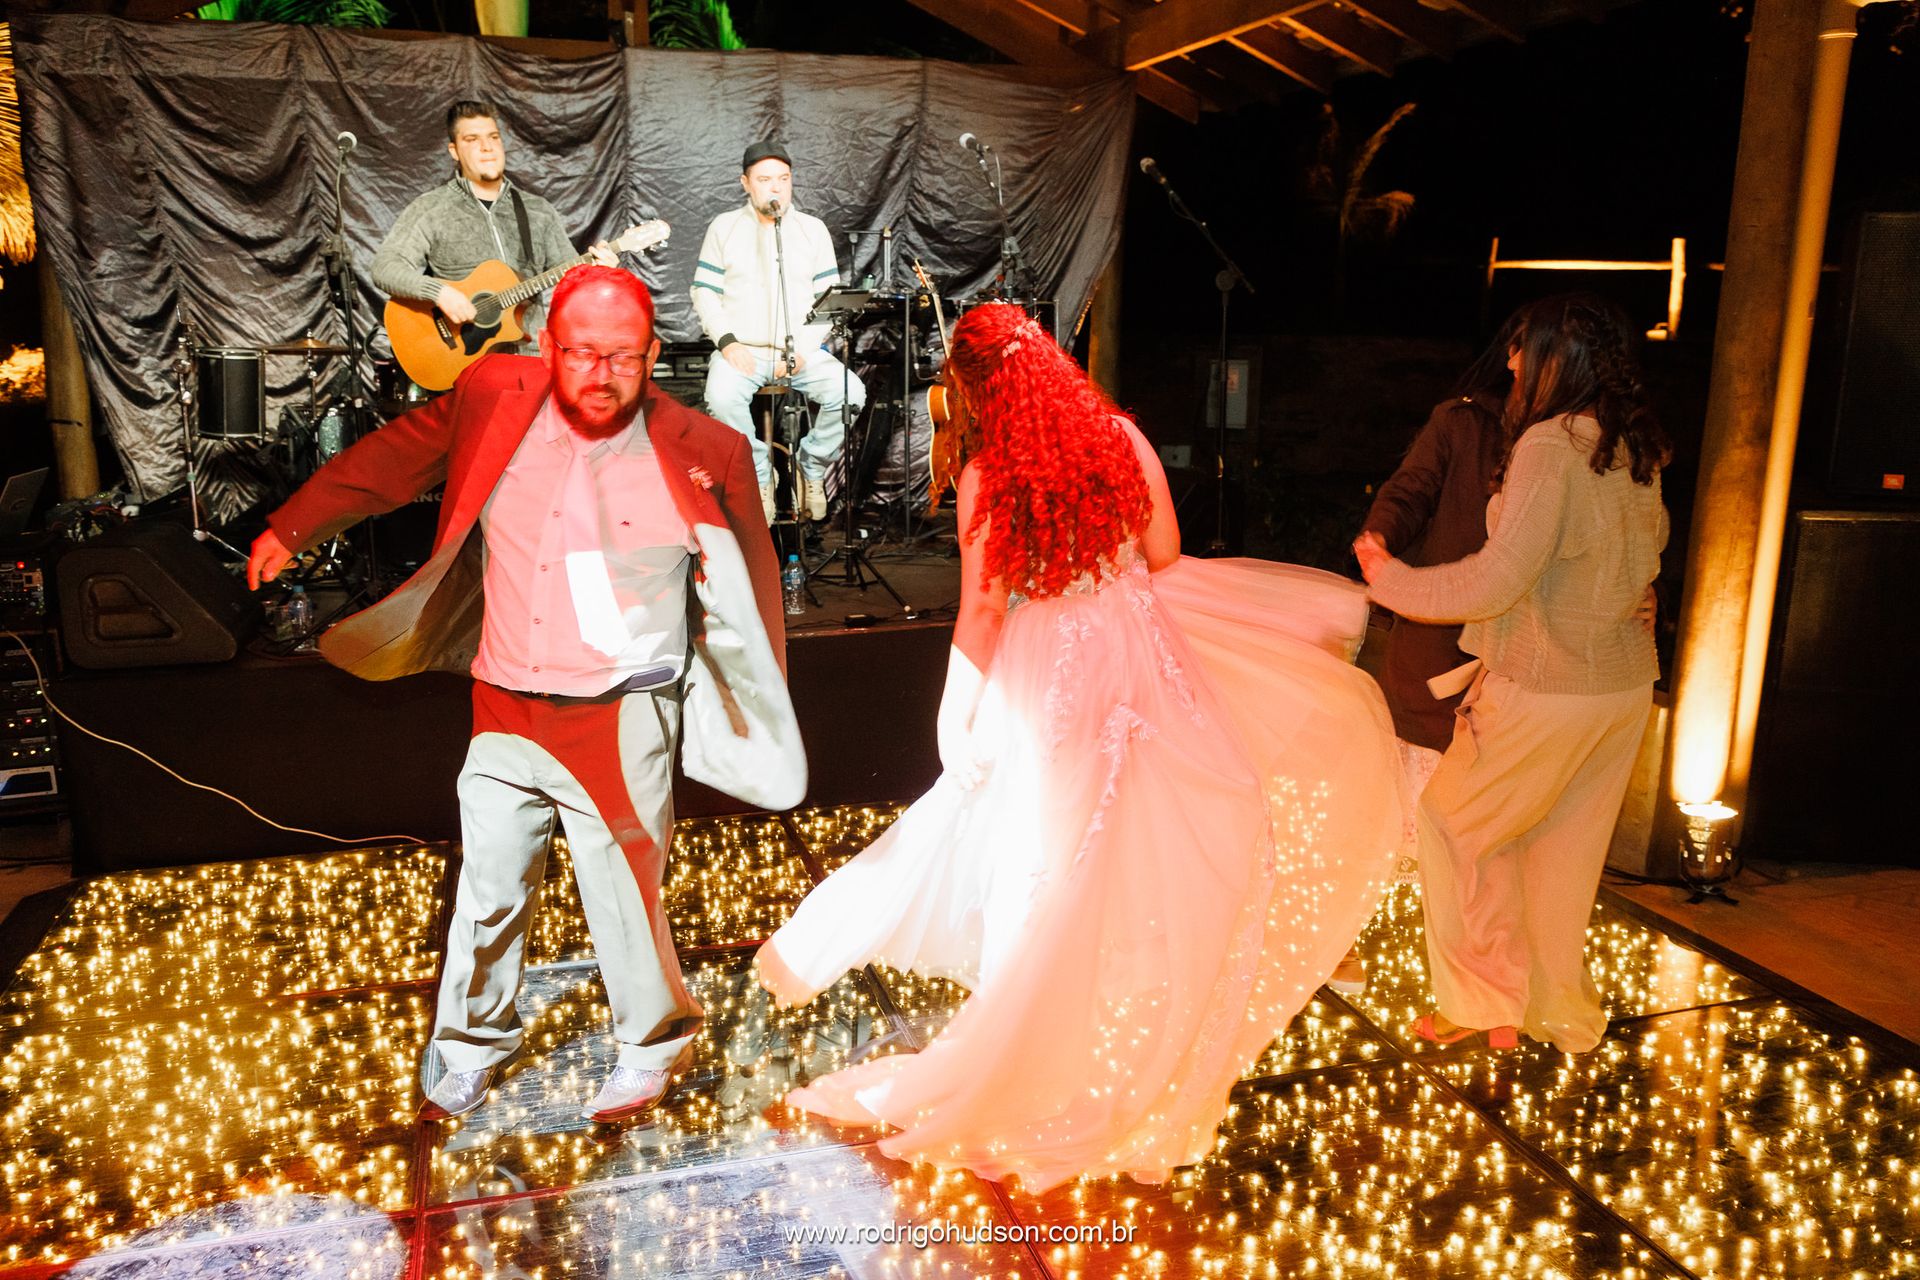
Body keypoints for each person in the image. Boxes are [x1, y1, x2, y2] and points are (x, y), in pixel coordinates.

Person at [753, 303, 1404, 1193]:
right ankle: (1122, 1051)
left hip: (1052, 664)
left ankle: (1035, 1054)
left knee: (1046, 866)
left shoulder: (990, 472)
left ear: (979, 388)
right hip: (1143, 656)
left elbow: (984, 610)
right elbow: (1167, 554)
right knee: (1145, 859)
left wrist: (955, 713)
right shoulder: (1124, 441)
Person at [247, 266, 805, 1122]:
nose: (601, 372)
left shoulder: (707, 450)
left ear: (654, 354)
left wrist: (749, 701)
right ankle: (472, 1045)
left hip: (622, 709)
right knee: (490, 889)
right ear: (549, 348)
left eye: (623, 355)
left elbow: (751, 583)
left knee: (625, 895)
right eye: (582, 351)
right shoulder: (494, 394)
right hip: (503, 697)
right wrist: (294, 524)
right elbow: (395, 457)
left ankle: (653, 1043)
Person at [1354, 292, 1670, 1055]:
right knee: (1558, 852)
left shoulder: (1551, 446)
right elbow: (1643, 556)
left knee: (1452, 821)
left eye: (1525, 347)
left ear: (1560, 360)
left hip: (1548, 685)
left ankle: (1478, 1001)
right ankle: (1551, 1013)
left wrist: (1387, 577)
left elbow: (1499, 578)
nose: (1512, 360)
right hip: (1622, 690)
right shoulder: (1628, 442)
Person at [691, 141, 865, 523]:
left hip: (800, 350)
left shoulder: (812, 231)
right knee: (720, 397)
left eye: (783, 179)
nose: (776, 188)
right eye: (765, 179)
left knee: (851, 392)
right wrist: (727, 342)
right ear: (745, 183)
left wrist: (803, 349)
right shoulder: (724, 227)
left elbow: (827, 300)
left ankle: (811, 465)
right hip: (743, 350)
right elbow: (704, 291)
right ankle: (758, 473)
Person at [371, 99, 616, 353]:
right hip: (464, 364)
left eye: (493, 137)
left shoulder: (538, 211)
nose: (487, 147)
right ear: (454, 151)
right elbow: (385, 267)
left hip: (531, 357)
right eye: (472, 139)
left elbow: (574, 281)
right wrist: (439, 292)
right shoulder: (430, 209)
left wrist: (599, 275)